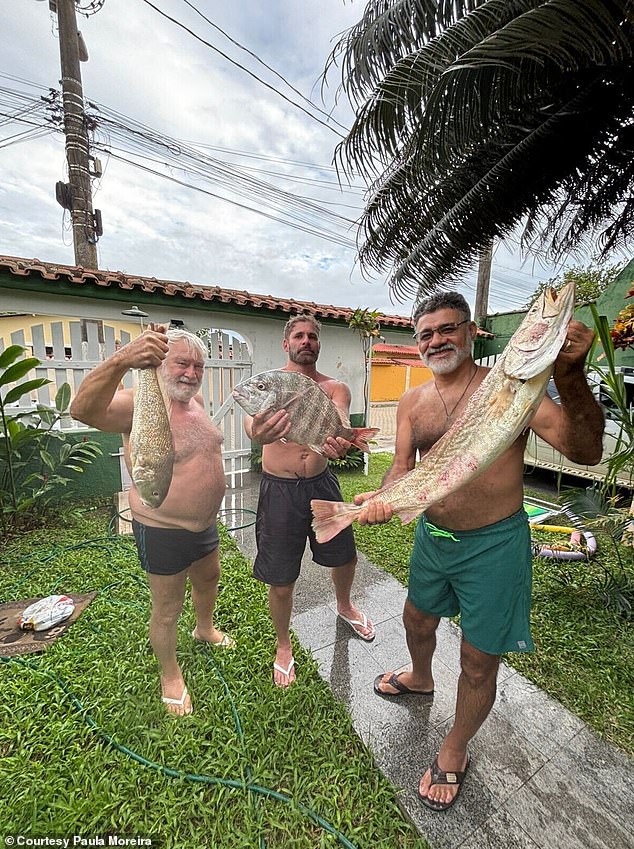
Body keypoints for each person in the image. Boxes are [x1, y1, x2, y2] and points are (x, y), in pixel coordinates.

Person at [355, 292, 604, 811]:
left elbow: (585, 450)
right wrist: (383, 496)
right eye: (426, 333)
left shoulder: (511, 389)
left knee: (476, 660)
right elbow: (404, 467)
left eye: (448, 329)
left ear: (472, 334)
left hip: (494, 545)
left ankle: (455, 747)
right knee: (416, 621)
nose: (436, 340)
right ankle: (421, 678)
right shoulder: (412, 402)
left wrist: (570, 375)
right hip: (434, 538)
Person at [70, 324, 232, 716]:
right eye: (181, 364)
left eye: (198, 366)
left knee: (209, 578)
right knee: (167, 606)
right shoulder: (138, 402)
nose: (191, 374)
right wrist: (124, 359)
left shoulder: (194, 404)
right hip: (162, 529)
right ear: (160, 363)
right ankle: (170, 674)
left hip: (205, 526)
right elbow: (82, 410)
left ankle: (204, 628)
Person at [245, 314, 375, 688]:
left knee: (344, 555)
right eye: (299, 336)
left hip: (322, 484)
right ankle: (283, 645)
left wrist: (341, 442)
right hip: (279, 491)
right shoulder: (271, 384)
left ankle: (345, 605)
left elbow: (336, 421)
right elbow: (252, 425)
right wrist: (256, 430)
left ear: (319, 345)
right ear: (286, 344)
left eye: (312, 337)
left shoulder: (335, 388)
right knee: (281, 575)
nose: (306, 341)